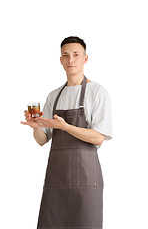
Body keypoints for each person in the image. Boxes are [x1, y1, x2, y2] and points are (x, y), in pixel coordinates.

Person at [21, 36, 113, 229]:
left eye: (76, 55)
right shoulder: (54, 96)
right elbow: (42, 140)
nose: (71, 60)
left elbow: (98, 137)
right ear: (61, 60)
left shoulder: (97, 92)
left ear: (85, 59)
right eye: (66, 55)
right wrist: (36, 126)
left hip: (86, 182)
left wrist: (66, 127)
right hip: (56, 181)